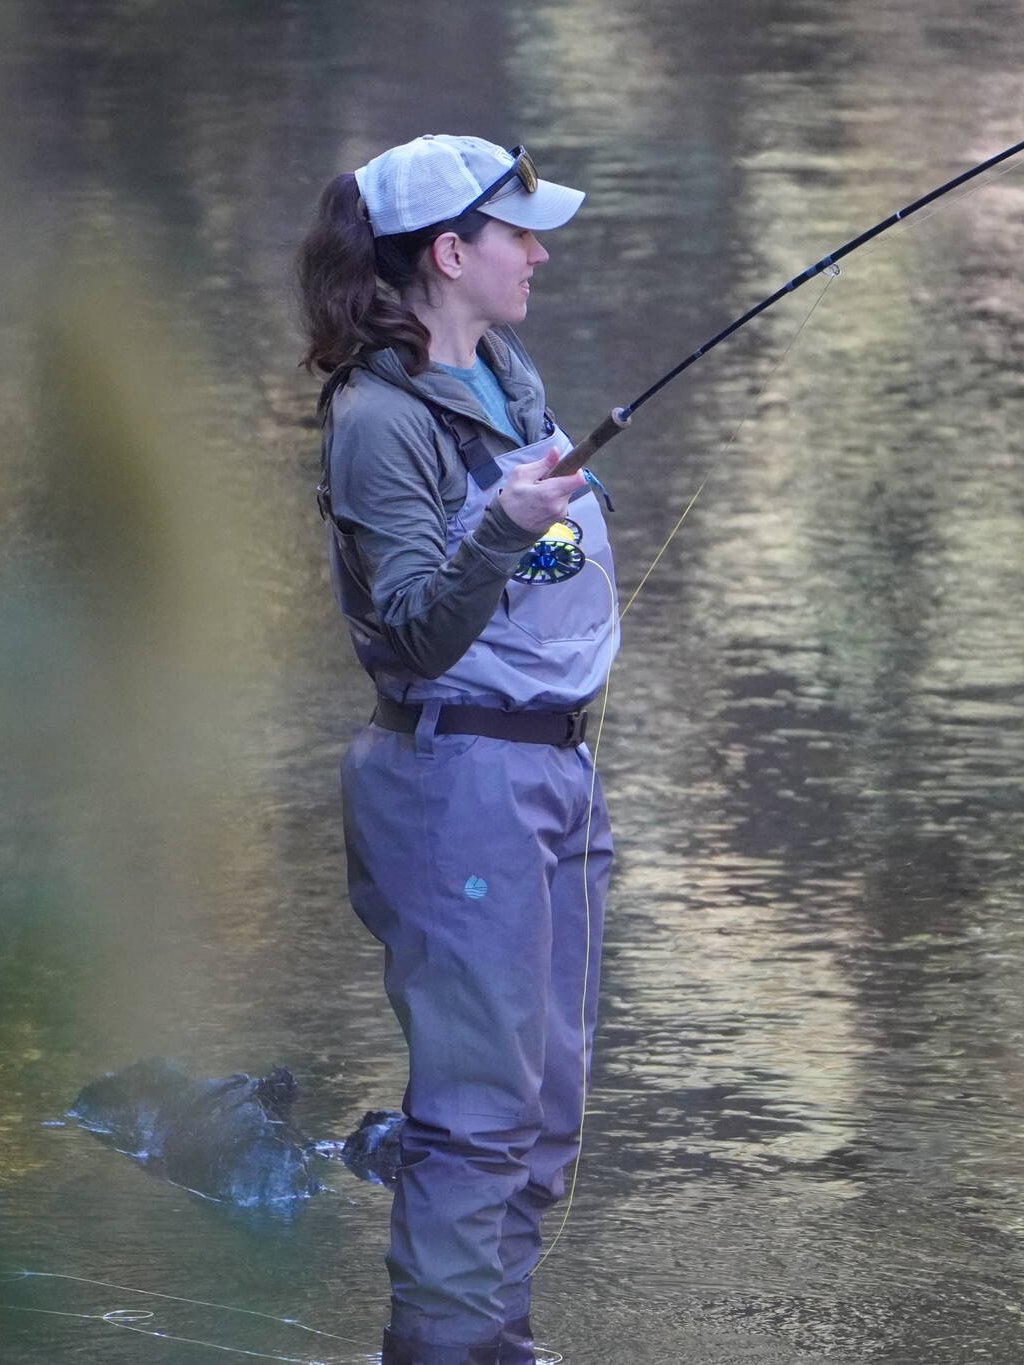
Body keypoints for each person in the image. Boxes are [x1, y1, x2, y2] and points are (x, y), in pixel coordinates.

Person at [296, 134, 618, 1365]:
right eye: (517, 232)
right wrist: (501, 521)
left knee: (545, 1111)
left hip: (552, 775)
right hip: (457, 780)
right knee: (478, 1116)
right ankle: (434, 1351)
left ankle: (498, 1342)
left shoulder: (503, 372)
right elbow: (422, 630)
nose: (537, 251)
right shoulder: (377, 422)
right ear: (448, 253)